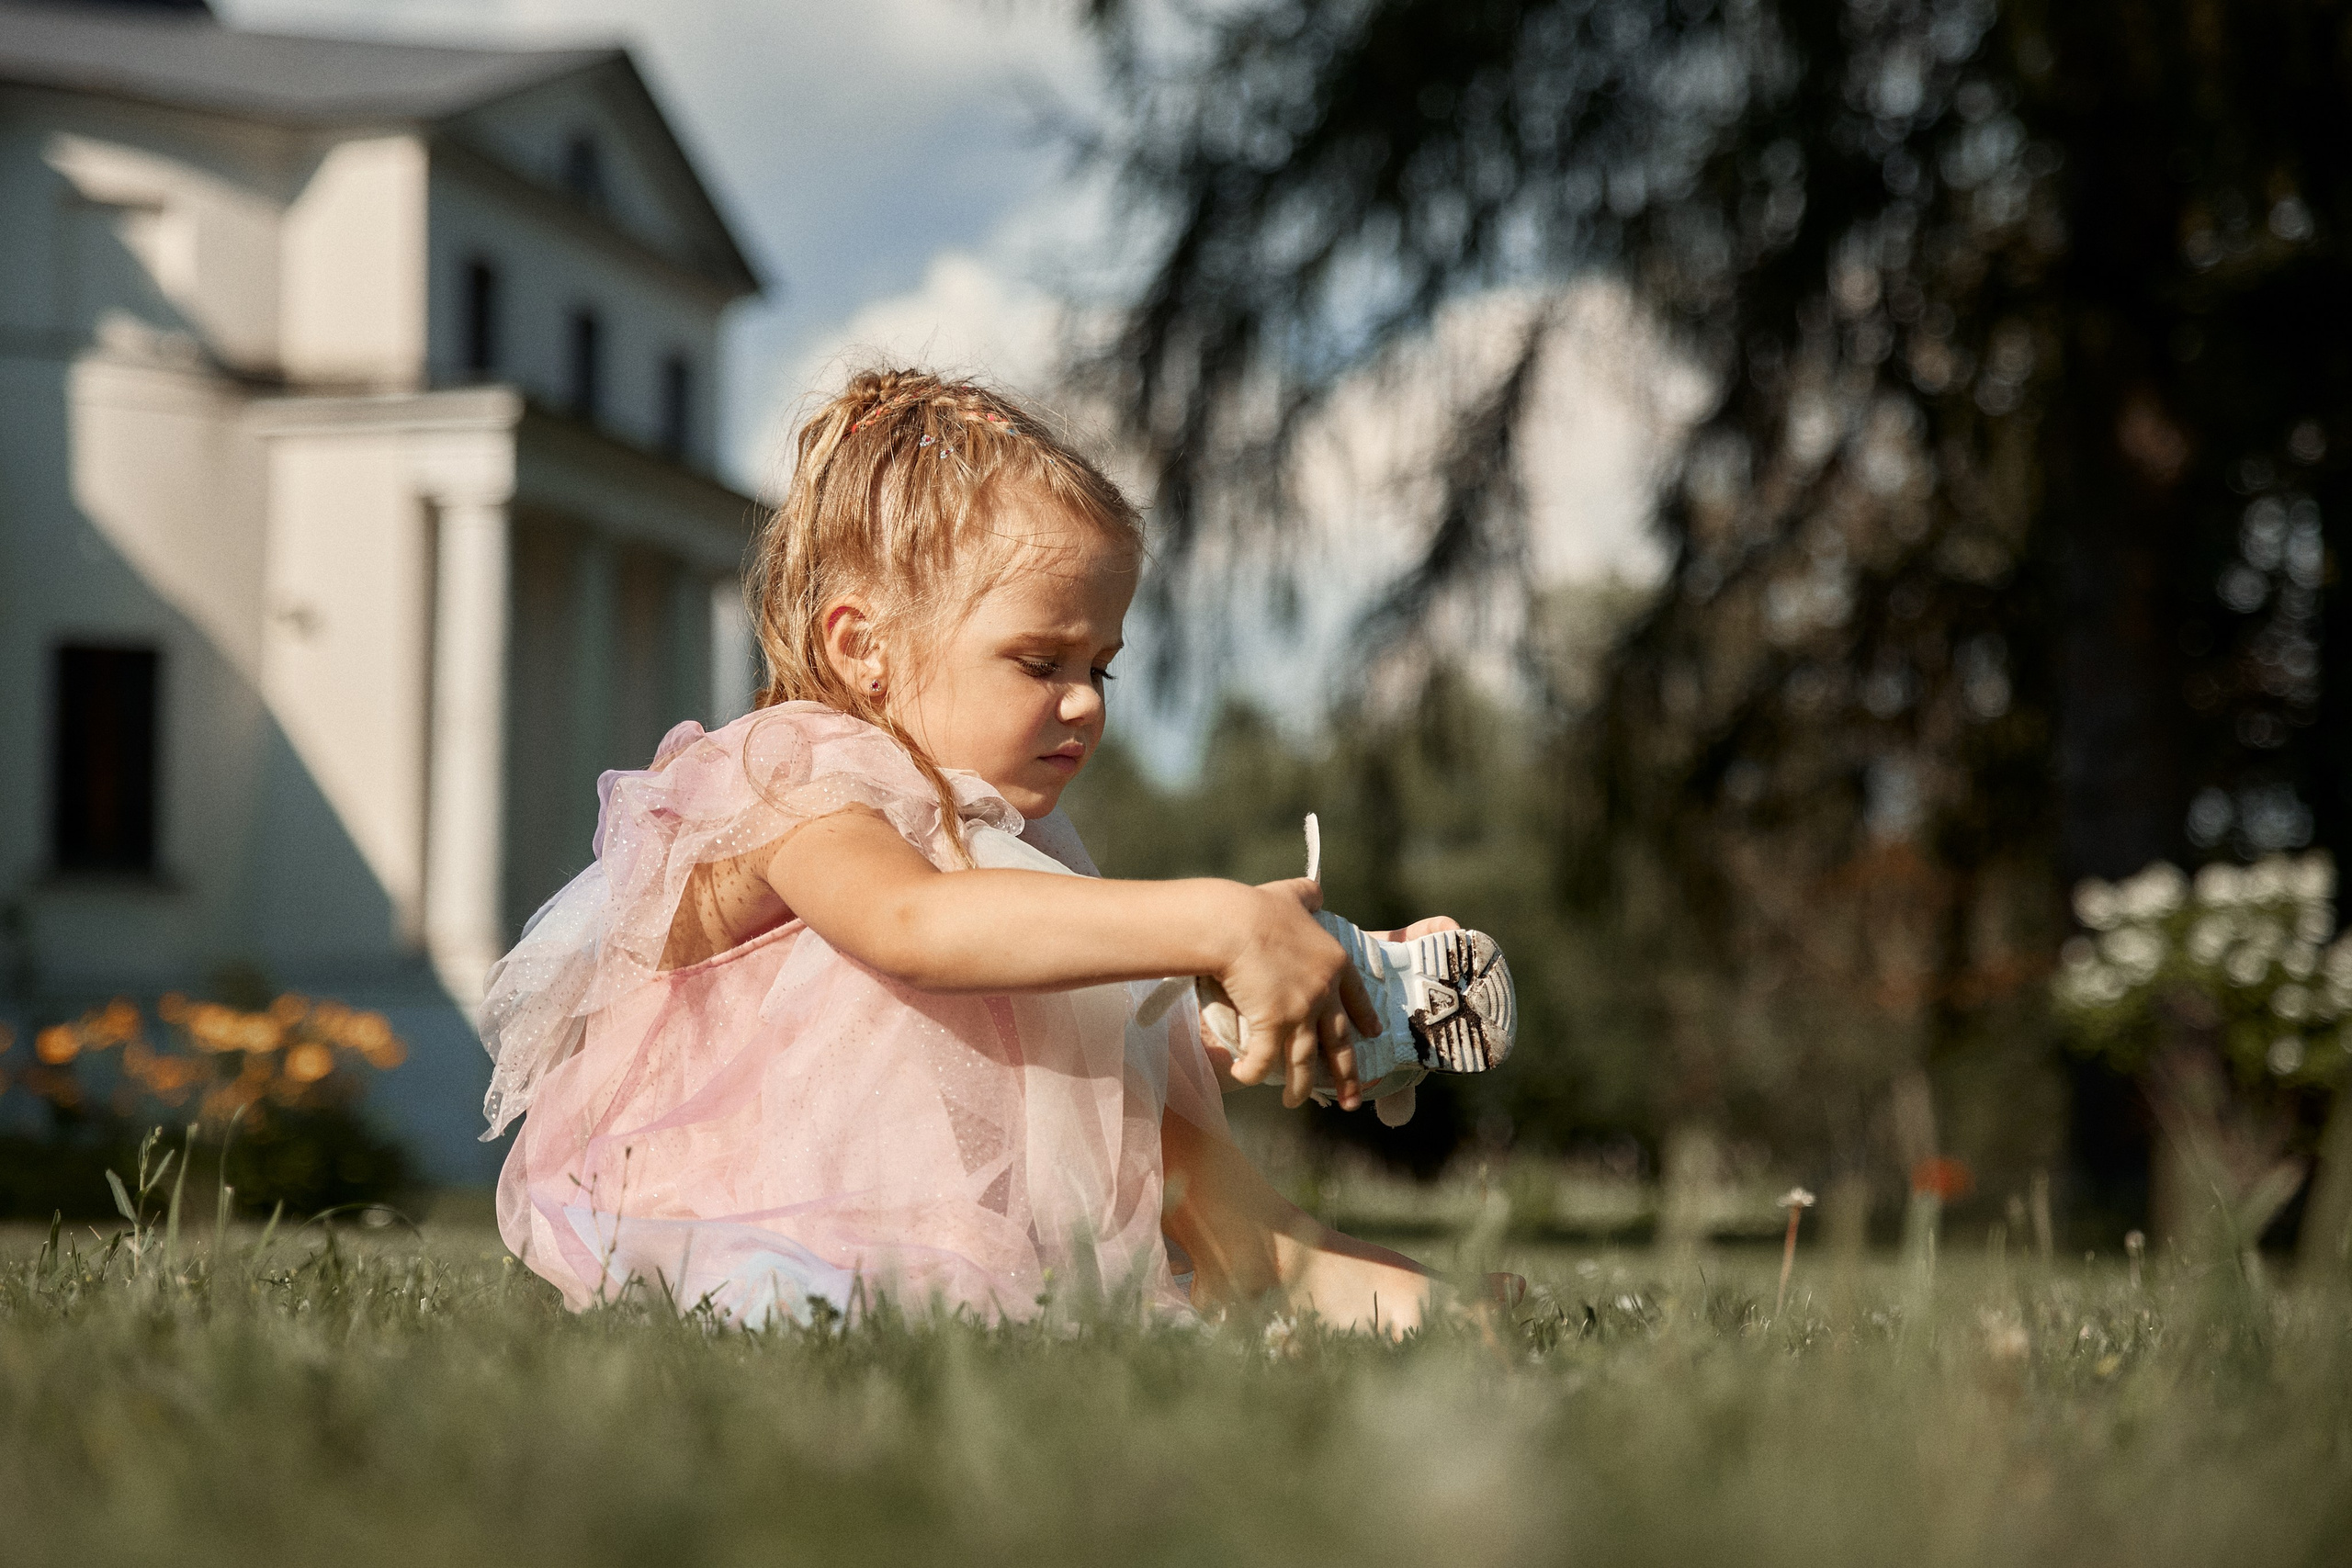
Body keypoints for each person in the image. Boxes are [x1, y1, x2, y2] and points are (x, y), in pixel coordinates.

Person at [481, 367, 1507, 1332]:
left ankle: (1280, 1248)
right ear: (862, 647)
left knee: (1052, 945)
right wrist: (1216, 917)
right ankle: (1276, 1262)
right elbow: (912, 931)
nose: (1081, 704)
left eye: (1101, 667)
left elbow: (1062, 1027)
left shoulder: (999, 836)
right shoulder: (789, 773)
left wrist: (1242, 996)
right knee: (993, 934)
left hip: (908, 1195)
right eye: (1039, 661)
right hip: (743, 1206)